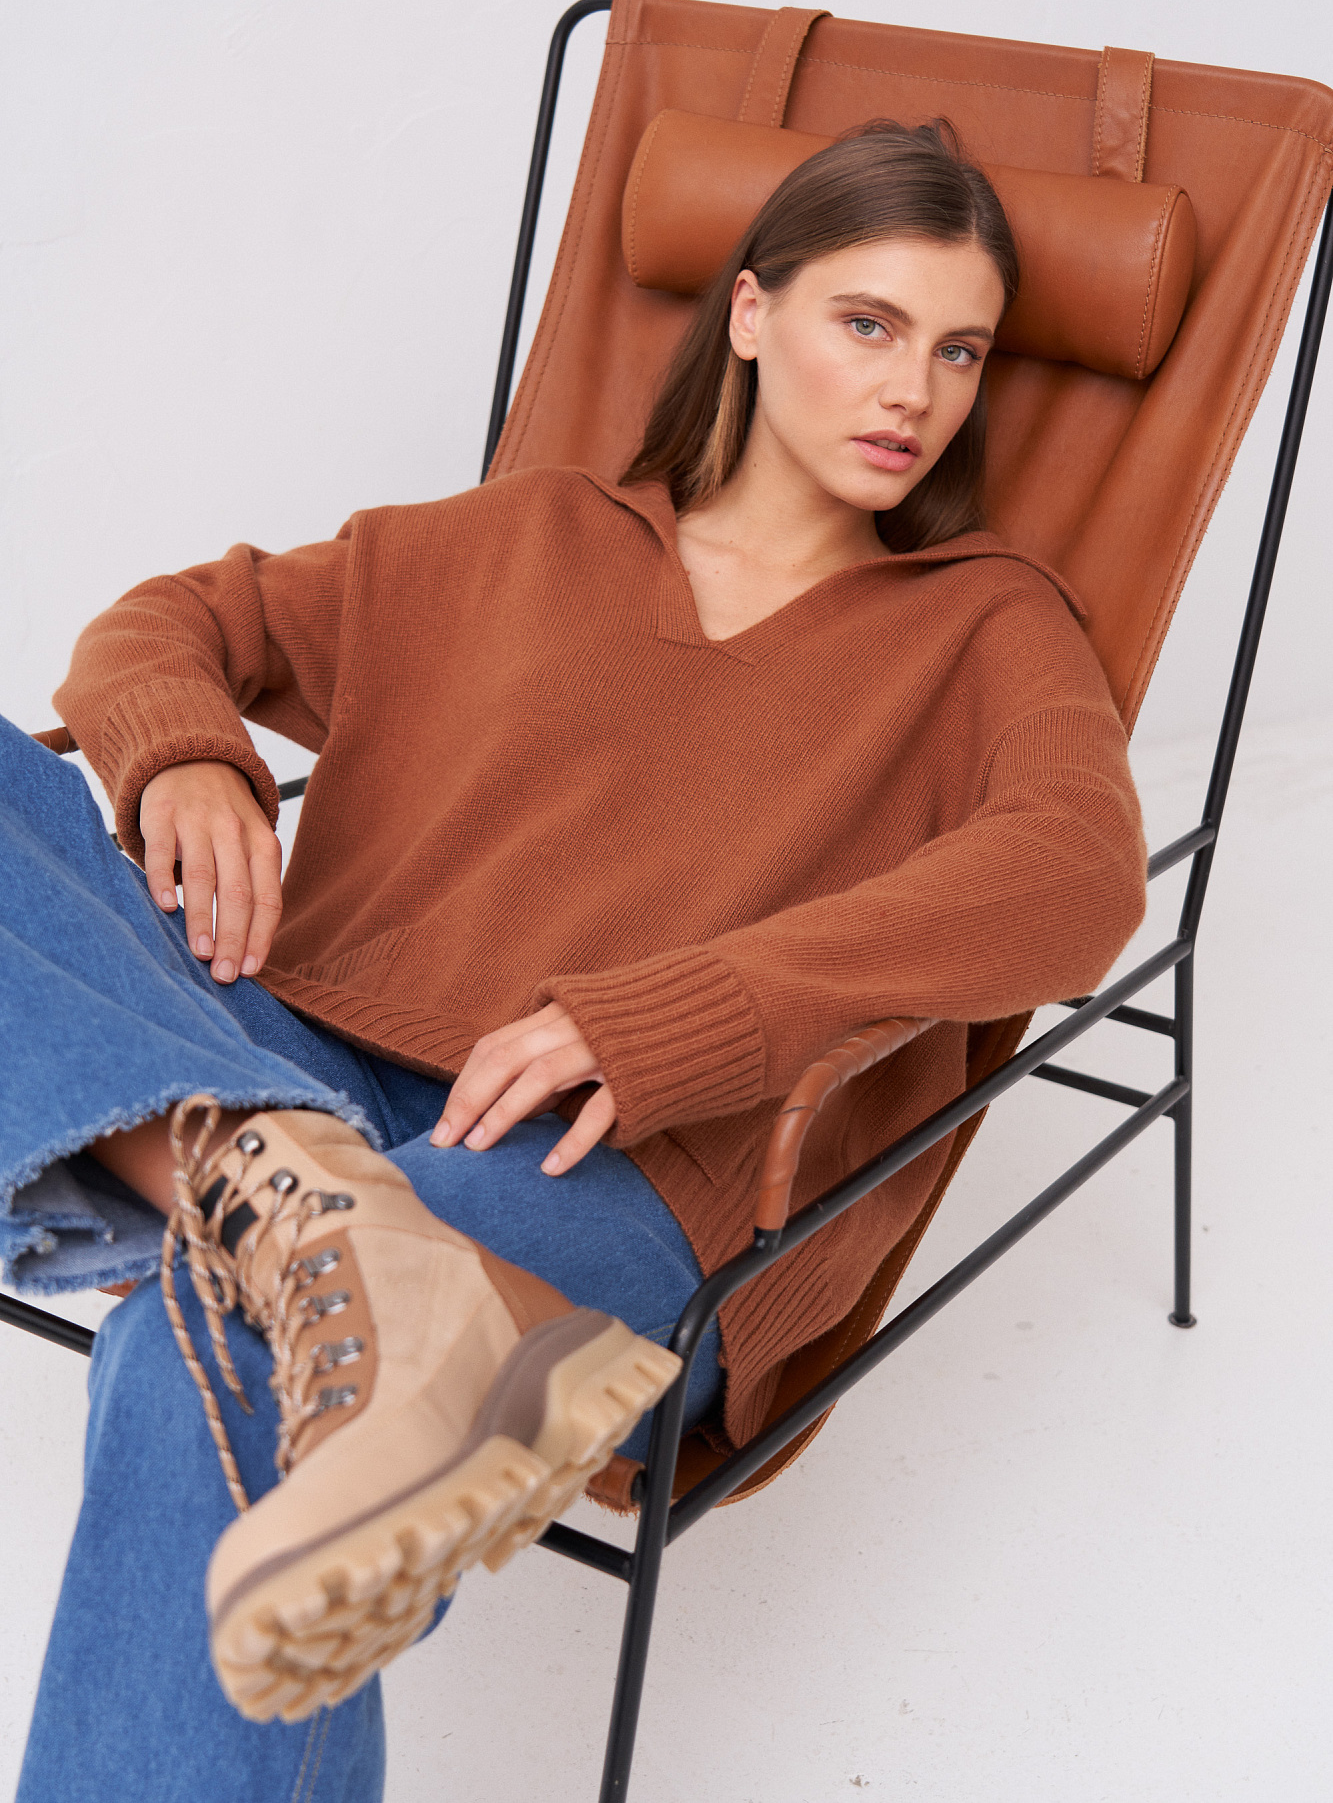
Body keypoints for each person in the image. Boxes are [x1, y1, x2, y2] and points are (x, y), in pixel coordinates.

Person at [3, 122, 1146, 1802]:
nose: (913, 390)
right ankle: (300, 1206)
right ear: (747, 313)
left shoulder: (982, 623)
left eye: (958, 349)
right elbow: (170, 620)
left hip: (612, 1161)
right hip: (306, 1059)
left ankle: (287, 1225)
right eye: (867, 322)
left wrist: (689, 1012)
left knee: (204, 1359)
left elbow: (1075, 871)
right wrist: (185, 753)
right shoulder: (515, 536)